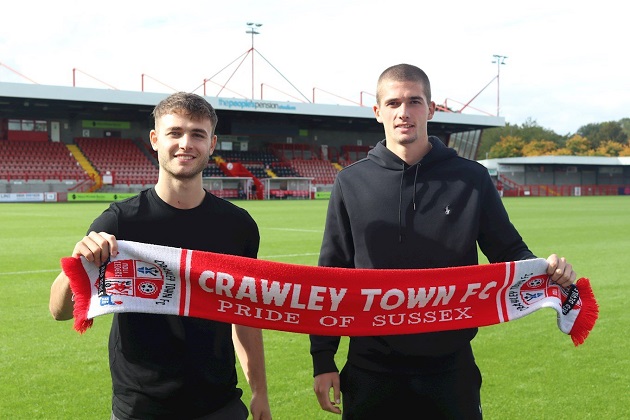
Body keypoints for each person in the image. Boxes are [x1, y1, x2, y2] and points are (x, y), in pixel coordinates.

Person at [309, 64, 577, 419]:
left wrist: (548, 269)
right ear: (377, 113)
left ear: (431, 109)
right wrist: (323, 359)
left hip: (450, 368)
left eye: (414, 101)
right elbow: (332, 275)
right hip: (369, 367)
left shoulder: (472, 178)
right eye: (392, 103)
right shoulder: (350, 182)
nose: (403, 112)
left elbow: (509, 252)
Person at [50, 92, 272, 420]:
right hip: (141, 408)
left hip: (219, 404)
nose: (186, 143)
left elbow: (243, 315)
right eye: (175, 133)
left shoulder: (237, 226)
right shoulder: (120, 222)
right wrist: (77, 263)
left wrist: (260, 393)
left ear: (212, 144)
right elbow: (60, 312)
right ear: (155, 140)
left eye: (198, 134)